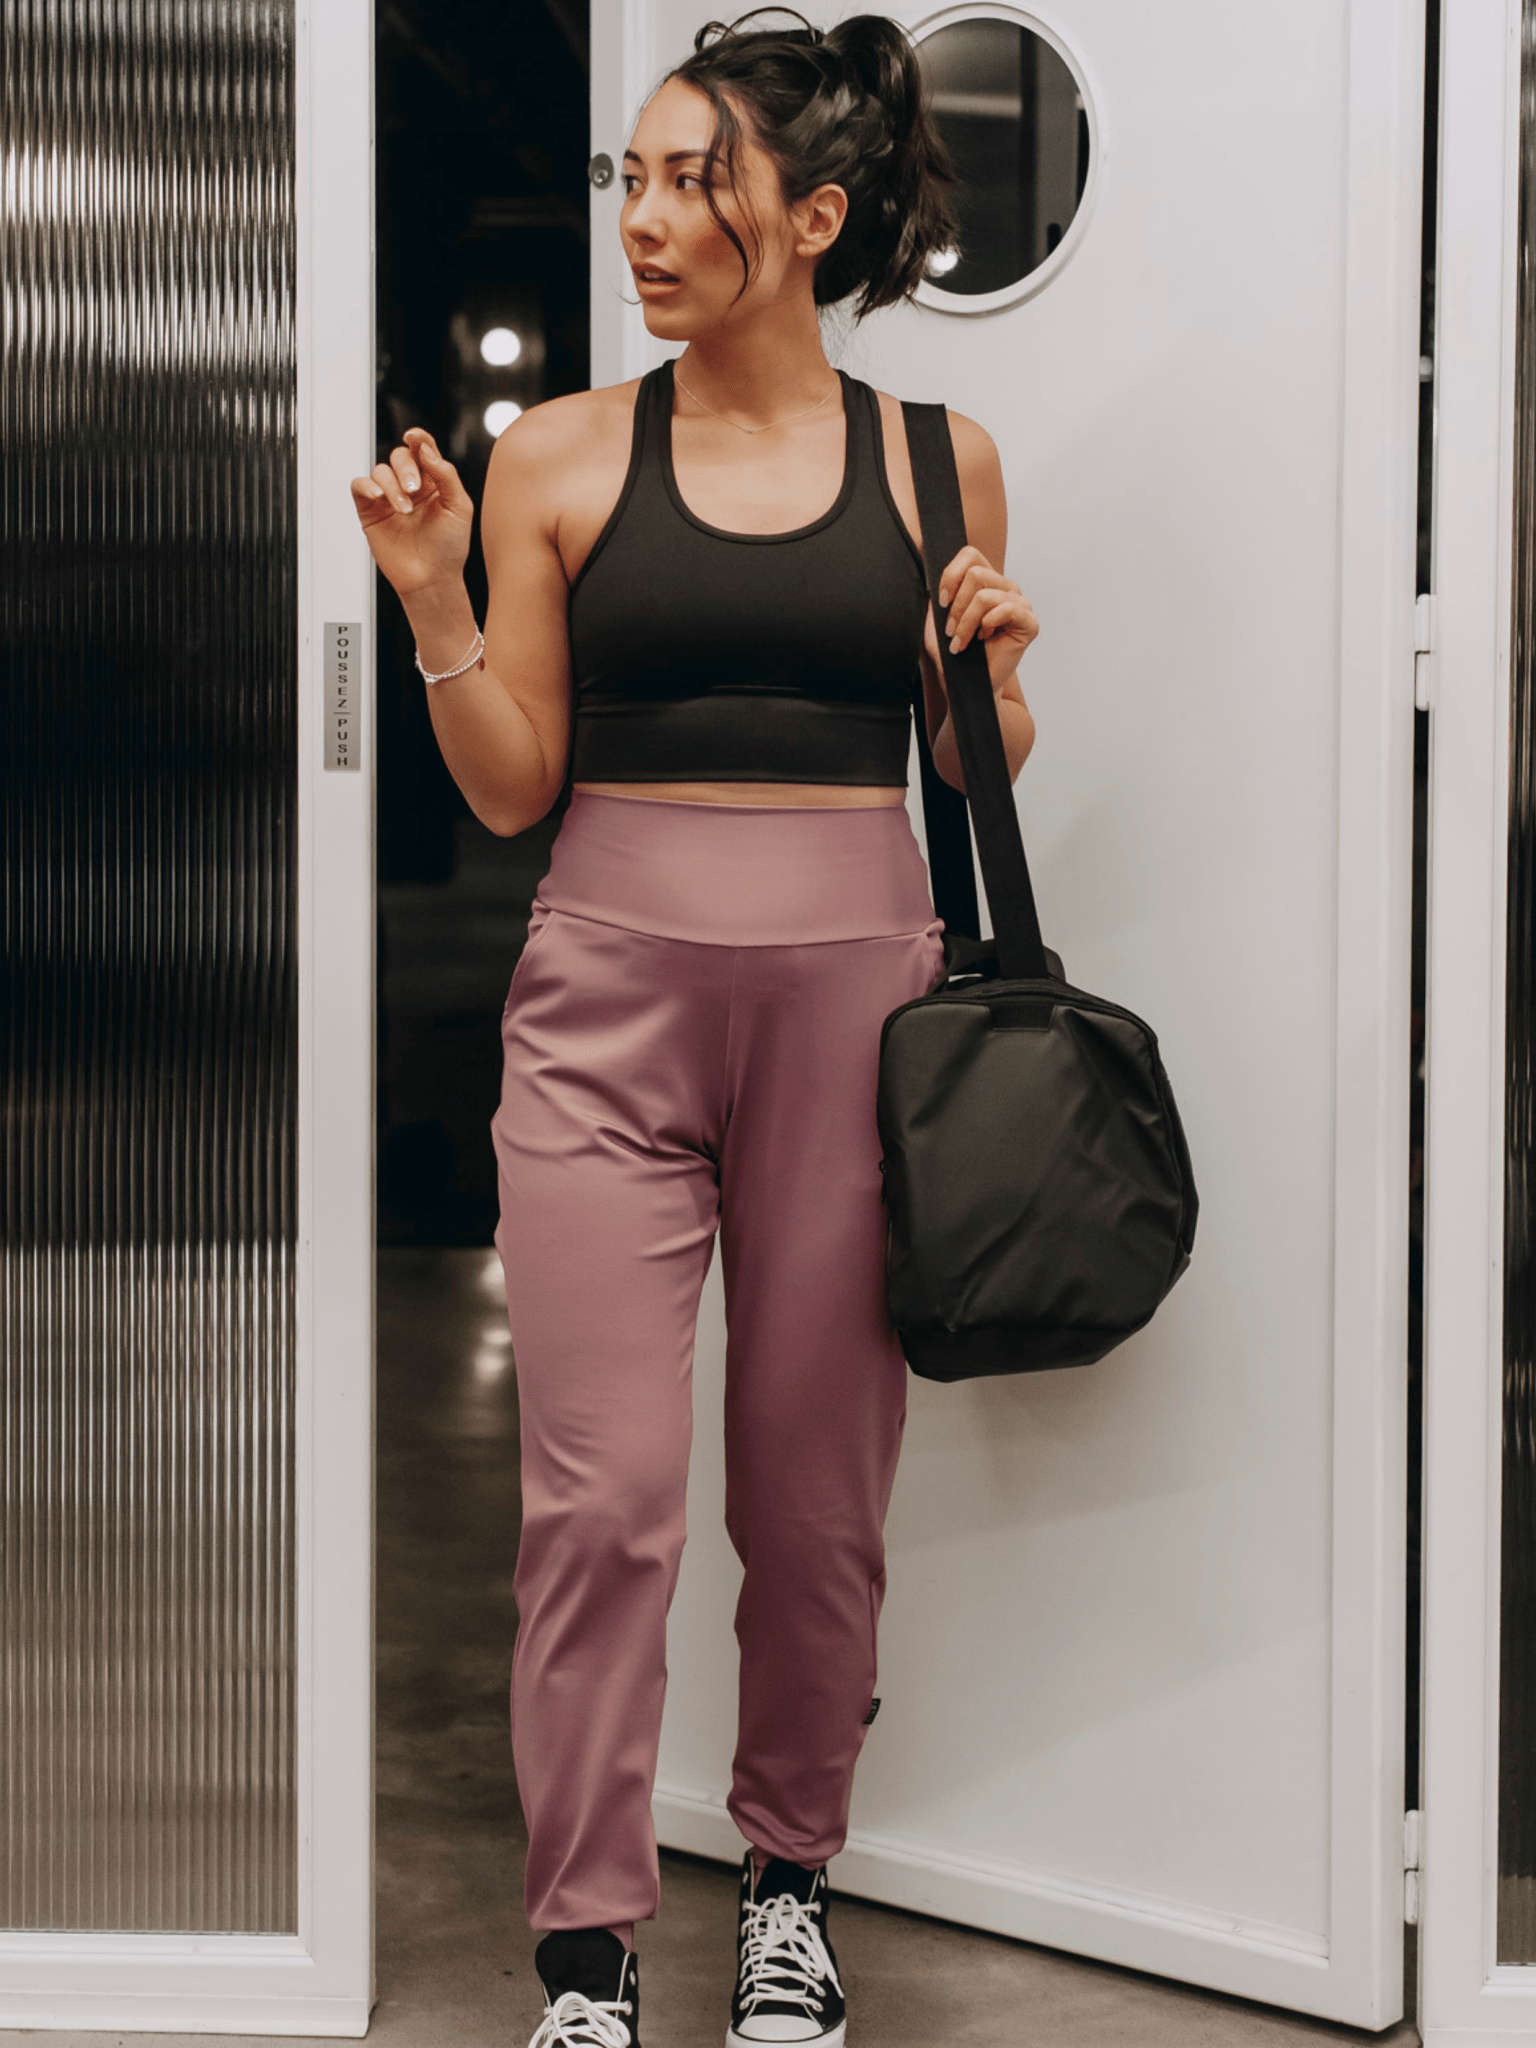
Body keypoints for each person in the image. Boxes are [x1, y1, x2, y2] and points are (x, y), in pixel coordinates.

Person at [351, 10, 1038, 2044]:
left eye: (691, 182)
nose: (642, 220)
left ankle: (789, 1890)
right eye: (629, 180)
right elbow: (509, 787)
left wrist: (997, 670)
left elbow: (968, 764)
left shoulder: (939, 461)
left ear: (811, 218)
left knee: (813, 1505)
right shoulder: (560, 453)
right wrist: (432, 598)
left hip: (854, 1016)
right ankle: (586, 1951)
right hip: (604, 1016)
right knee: (603, 1502)